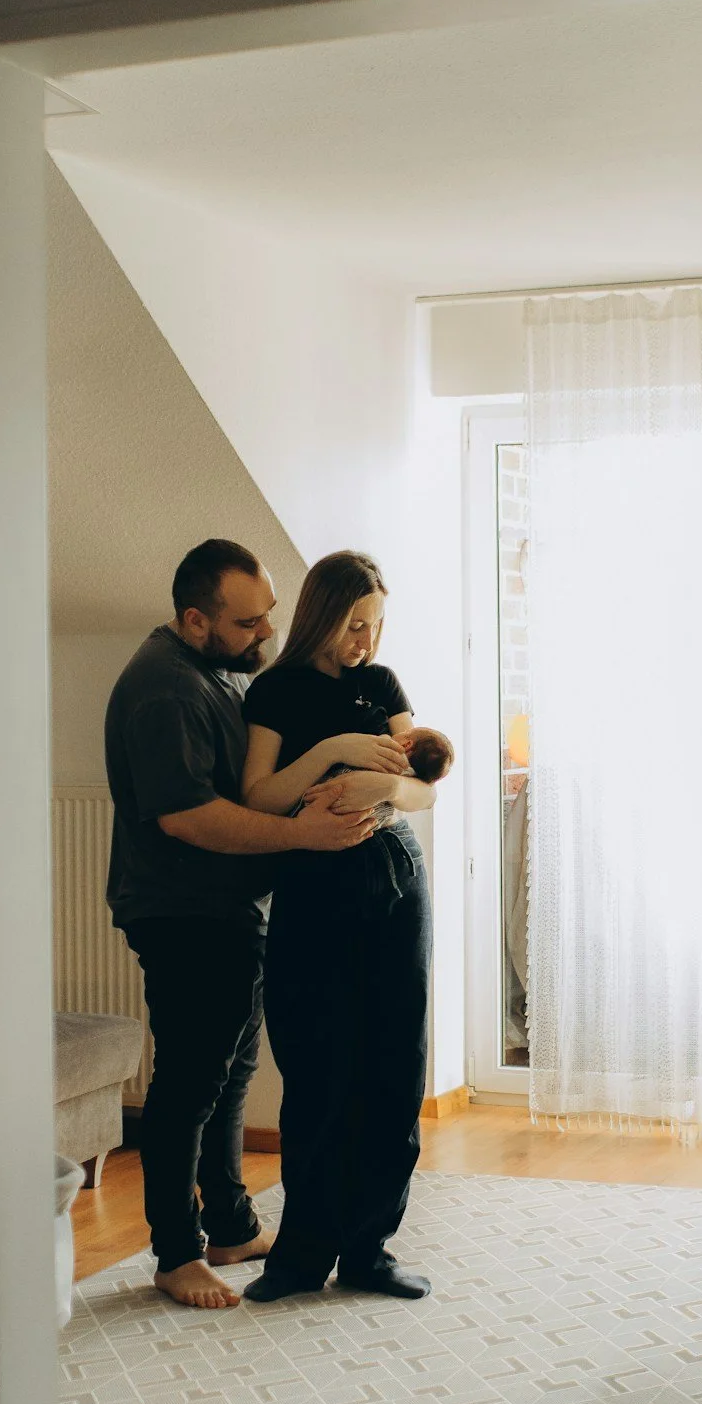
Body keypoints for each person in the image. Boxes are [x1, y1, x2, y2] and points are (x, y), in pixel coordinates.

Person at [104, 539, 378, 1311]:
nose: (265, 633)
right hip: (181, 909)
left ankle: (228, 1224)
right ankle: (174, 1252)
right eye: (248, 622)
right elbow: (189, 818)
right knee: (191, 1082)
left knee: (230, 1074)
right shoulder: (165, 690)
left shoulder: (215, 671)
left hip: (227, 905)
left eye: (268, 617)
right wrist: (304, 834)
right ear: (196, 620)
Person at [238, 550, 446, 1303]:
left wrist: (376, 782)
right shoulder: (275, 691)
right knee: (317, 1069)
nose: (366, 641)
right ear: (321, 615)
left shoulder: (382, 687)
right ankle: (299, 1256)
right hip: (314, 886)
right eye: (354, 624)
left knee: (393, 1066)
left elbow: (423, 789)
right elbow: (259, 795)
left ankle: (370, 1252)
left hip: (393, 879)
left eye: (376, 625)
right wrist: (330, 751)